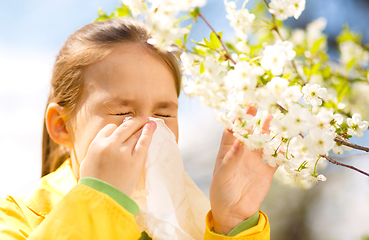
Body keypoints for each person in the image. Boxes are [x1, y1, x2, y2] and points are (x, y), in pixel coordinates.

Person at [0, 18, 277, 239]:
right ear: (62, 126)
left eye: (163, 113)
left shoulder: (193, 218)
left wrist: (233, 223)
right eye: (123, 113)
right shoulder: (17, 219)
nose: (149, 129)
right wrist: (100, 198)